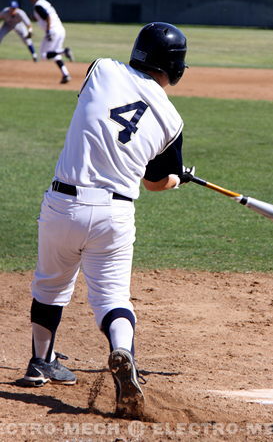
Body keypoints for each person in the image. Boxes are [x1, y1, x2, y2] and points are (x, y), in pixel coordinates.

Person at [22, 22, 194, 418]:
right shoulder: (172, 121)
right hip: (114, 214)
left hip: (62, 204)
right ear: (175, 66)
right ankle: (122, 350)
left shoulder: (101, 69)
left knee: (50, 285)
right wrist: (177, 178)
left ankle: (40, 362)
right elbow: (155, 183)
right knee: (112, 298)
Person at [27, 0, 74, 84]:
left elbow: (47, 17)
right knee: (55, 55)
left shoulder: (38, 6)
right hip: (60, 30)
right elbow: (43, 16)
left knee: (43, 55)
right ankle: (66, 74)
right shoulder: (44, 3)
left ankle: (64, 51)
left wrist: (48, 32)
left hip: (52, 31)